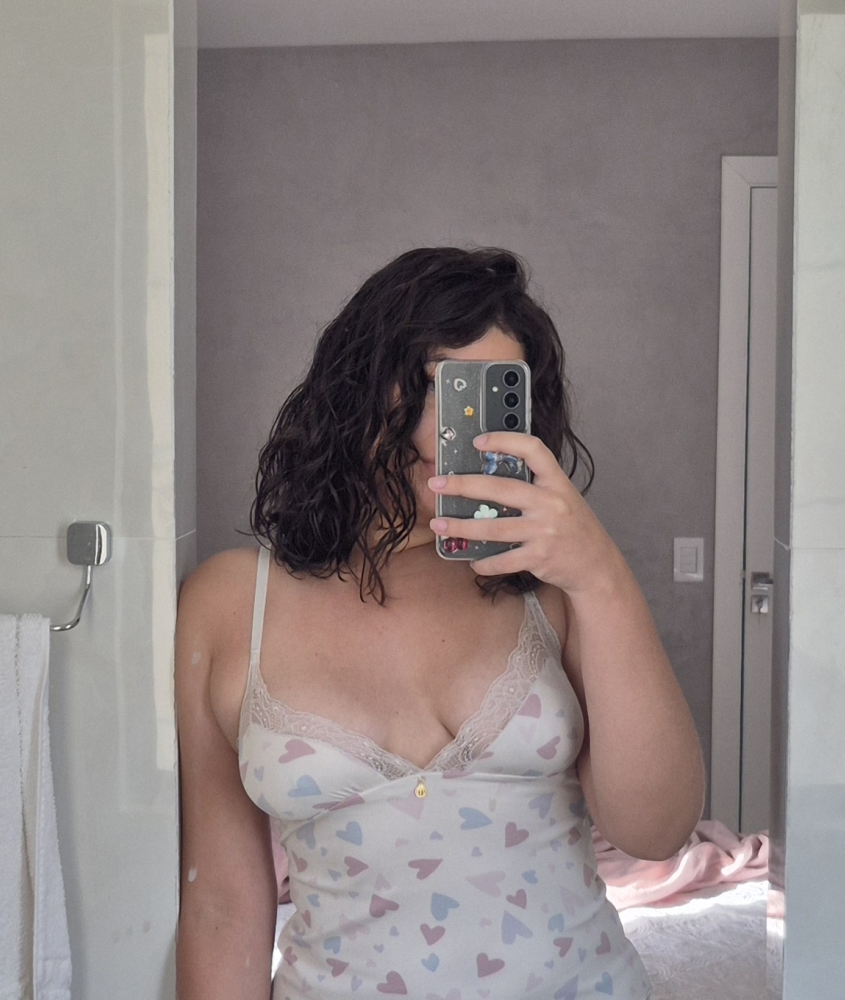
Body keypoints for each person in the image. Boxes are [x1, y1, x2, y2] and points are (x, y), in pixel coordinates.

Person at [174, 247, 705, 999]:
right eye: (434, 386)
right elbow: (221, 905)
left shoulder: (554, 586)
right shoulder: (229, 604)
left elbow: (657, 831)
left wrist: (602, 576)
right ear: (357, 386)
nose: (457, 430)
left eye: (489, 398)